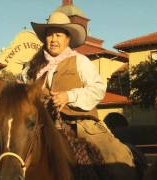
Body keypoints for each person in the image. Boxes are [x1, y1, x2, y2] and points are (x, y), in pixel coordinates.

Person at [24, 11, 139, 179]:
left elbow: (98, 88)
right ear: (44, 39)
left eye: (58, 35)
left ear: (68, 39)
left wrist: (69, 96)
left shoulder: (80, 61)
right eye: (50, 35)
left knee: (114, 158)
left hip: (81, 124)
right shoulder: (32, 68)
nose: (53, 39)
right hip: (43, 127)